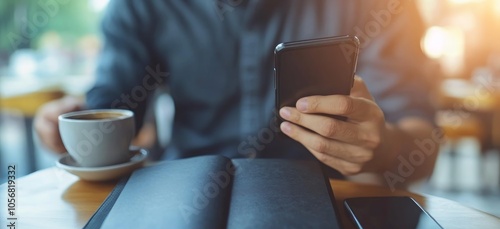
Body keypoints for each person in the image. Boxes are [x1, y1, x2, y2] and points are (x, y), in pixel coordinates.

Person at [35, 0, 439, 188]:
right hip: (182, 197)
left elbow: (422, 143)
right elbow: (116, 108)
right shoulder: (141, 6)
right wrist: (79, 122)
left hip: (327, 200)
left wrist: (382, 147)